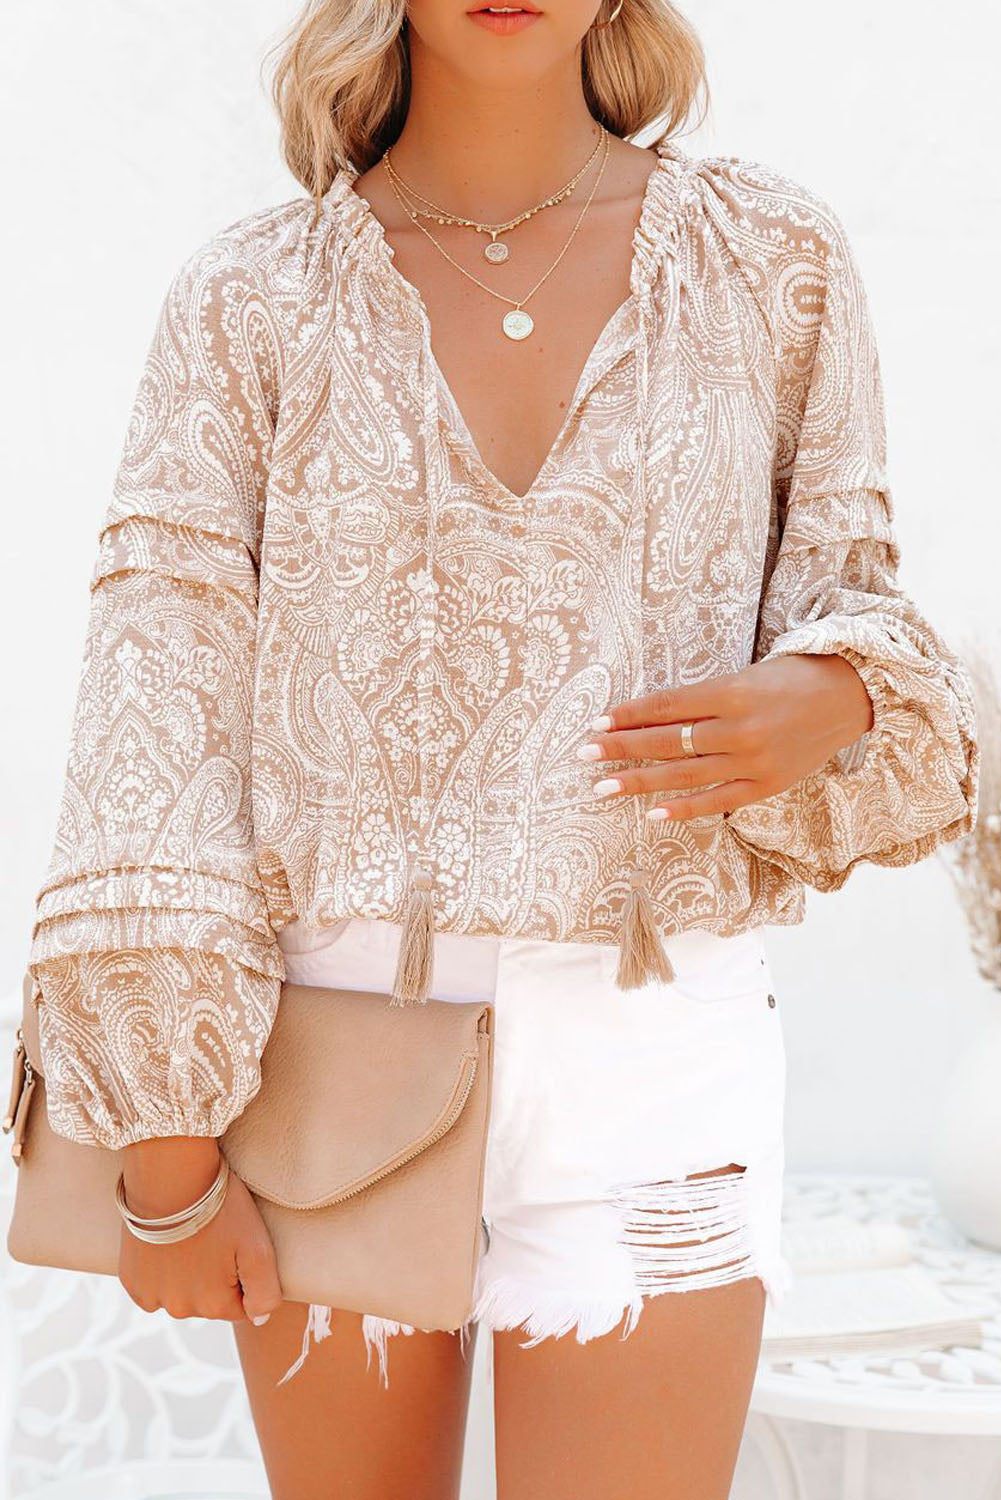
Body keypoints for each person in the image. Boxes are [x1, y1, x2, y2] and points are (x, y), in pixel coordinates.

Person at [23, 0, 979, 1495]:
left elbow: (848, 597)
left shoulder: (769, 260)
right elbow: (158, 712)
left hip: (661, 1040)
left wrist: (838, 693)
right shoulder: (250, 297)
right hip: (332, 1045)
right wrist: (164, 1157)